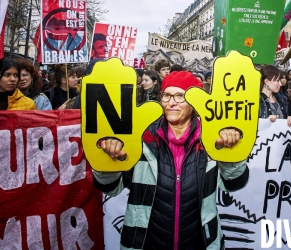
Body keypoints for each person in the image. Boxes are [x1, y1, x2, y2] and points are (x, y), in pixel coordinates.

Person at [93, 71, 249, 250]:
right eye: (166, 95)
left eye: (180, 96)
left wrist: (231, 154)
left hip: (200, 243)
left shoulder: (211, 141)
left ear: (194, 102)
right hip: (145, 243)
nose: (171, 102)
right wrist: (108, 161)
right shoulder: (142, 138)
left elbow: (234, 183)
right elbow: (110, 188)